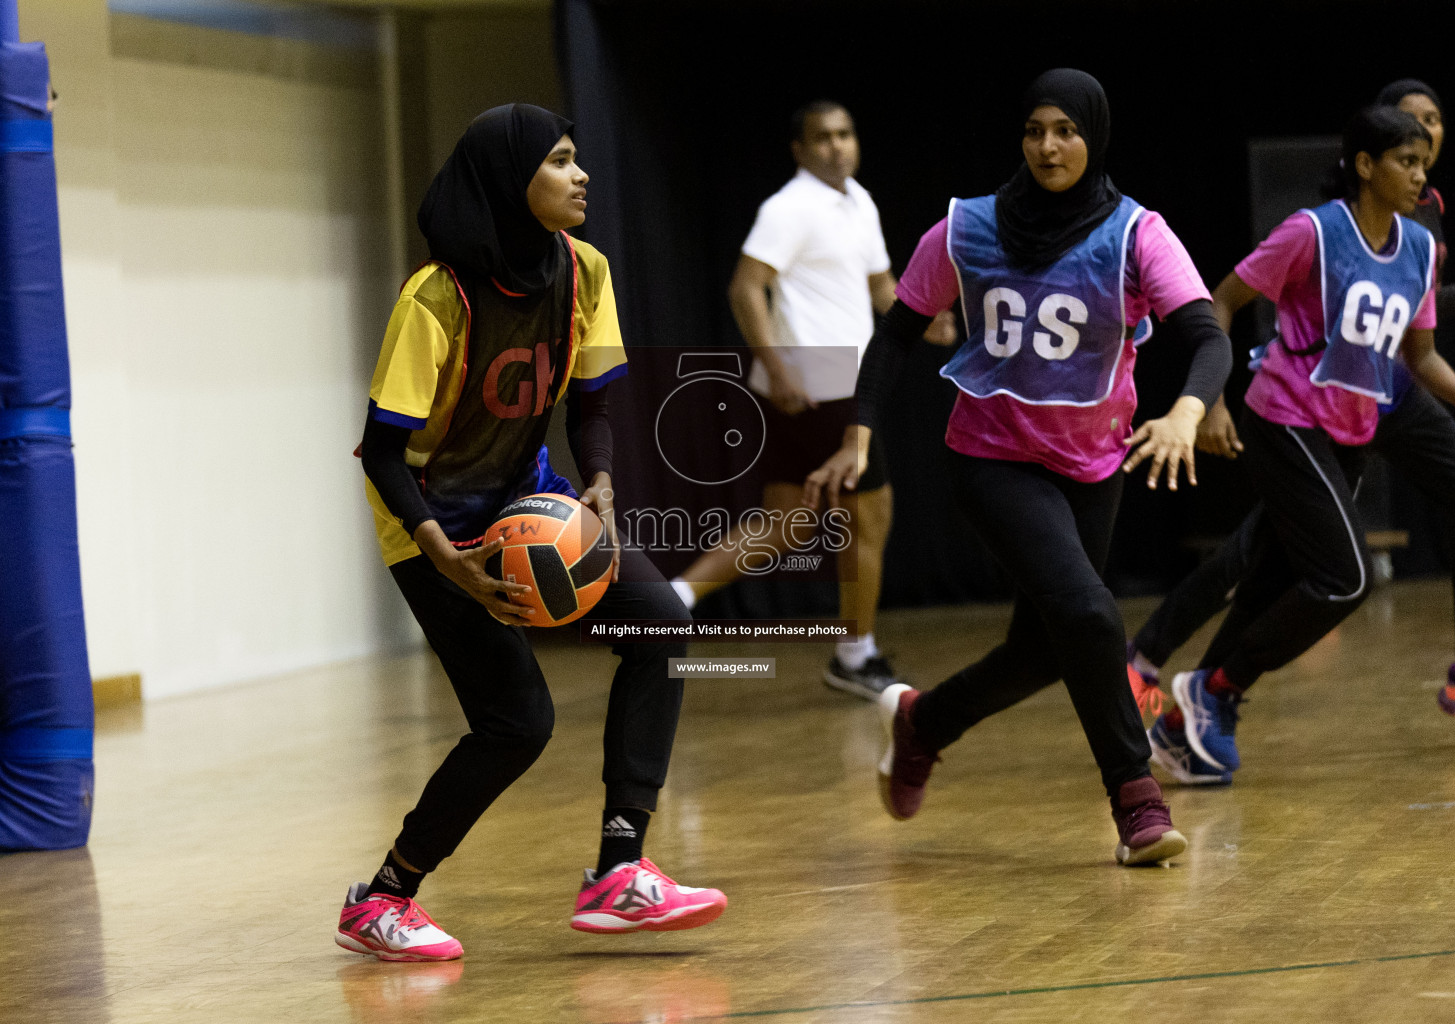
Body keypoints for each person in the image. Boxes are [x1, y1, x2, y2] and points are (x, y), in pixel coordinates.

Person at [808, 70, 1232, 865]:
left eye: (1065, 131)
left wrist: (1185, 409)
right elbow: (897, 332)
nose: (1047, 146)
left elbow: (1209, 337)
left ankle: (921, 724)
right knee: (1089, 613)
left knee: (1044, 648)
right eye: (1034, 130)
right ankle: (1135, 803)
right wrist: (860, 429)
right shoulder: (965, 229)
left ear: (1093, 136)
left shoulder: (1136, 234)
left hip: (1091, 465)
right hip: (993, 461)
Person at [337, 105, 726, 962]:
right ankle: (382, 900)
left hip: (530, 501)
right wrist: (447, 559)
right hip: (437, 527)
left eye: (577, 158)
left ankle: (619, 872)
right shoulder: (434, 296)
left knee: (661, 622)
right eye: (559, 160)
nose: (580, 175)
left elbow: (591, 402)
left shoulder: (584, 269)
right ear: (510, 182)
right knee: (516, 723)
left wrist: (600, 481)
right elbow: (384, 454)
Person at [1128, 81, 1455, 757]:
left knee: (1270, 572)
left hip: (1348, 428)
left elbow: (1419, 354)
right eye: (1403, 158)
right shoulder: (1312, 232)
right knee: (1343, 578)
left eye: (1423, 157)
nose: (1419, 172)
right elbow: (1219, 302)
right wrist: (1212, 400)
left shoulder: (1416, 247)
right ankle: (1198, 687)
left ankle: (1183, 719)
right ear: (1363, 165)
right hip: (1285, 417)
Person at [669, 100, 957, 701]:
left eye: (846, 134)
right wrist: (779, 367)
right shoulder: (789, 207)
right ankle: (854, 655)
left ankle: (671, 602)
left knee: (788, 522)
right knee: (868, 521)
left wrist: (924, 319)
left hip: (829, 379)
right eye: (822, 138)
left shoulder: (858, 200)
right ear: (800, 150)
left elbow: (880, 286)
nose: (837, 146)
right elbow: (746, 287)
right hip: (820, 379)